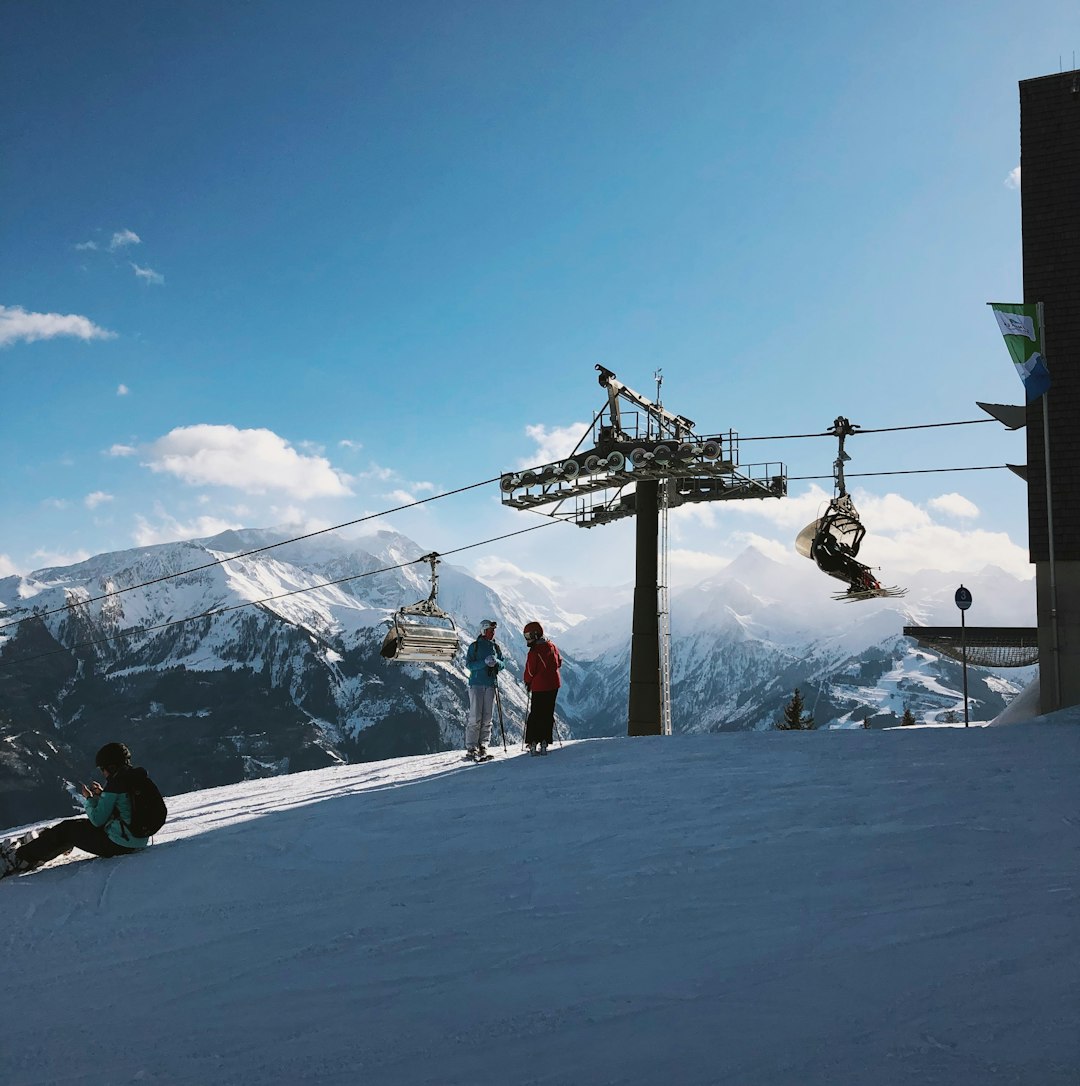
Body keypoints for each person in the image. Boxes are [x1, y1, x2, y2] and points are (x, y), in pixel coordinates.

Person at [0, 742, 150, 878]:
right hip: (135, 839)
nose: (103, 773)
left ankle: (19, 858)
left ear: (111, 767)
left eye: (103, 769)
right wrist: (101, 796)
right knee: (75, 827)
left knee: (67, 830)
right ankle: (44, 844)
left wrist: (90, 799)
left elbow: (97, 820)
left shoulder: (116, 785)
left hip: (119, 843)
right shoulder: (134, 778)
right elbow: (122, 808)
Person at [464, 619, 506, 760]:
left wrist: (496, 663)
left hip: (490, 684)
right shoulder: (474, 647)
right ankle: (471, 746)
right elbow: (469, 665)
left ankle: (483, 745)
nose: (493, 633)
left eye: (493, 631)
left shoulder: (496, 647)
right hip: (477, 684)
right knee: (476, 716)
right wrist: (484, 663)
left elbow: (502, 664)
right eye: (490, 630)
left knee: (487, 716)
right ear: (483, 631)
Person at [522, 621, 562, 755]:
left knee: (536, 713)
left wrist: (528, 681)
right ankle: (545, 740)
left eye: (528, 636)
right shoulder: (552, 646)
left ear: (535, 634)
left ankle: (533, 740)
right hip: (554, 685)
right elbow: (559, 662)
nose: (527, 639)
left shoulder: (534, 652)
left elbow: (530, 671)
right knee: (548, 712)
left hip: (539, 687)